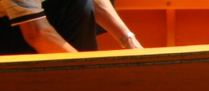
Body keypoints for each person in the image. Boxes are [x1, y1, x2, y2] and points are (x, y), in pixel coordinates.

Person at [0, 0, 141, 54]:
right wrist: (87, 72)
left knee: (82, 4)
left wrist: (129, 40)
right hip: (10, 29)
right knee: (78, 6)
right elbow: (36, 34)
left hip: (39, 14)